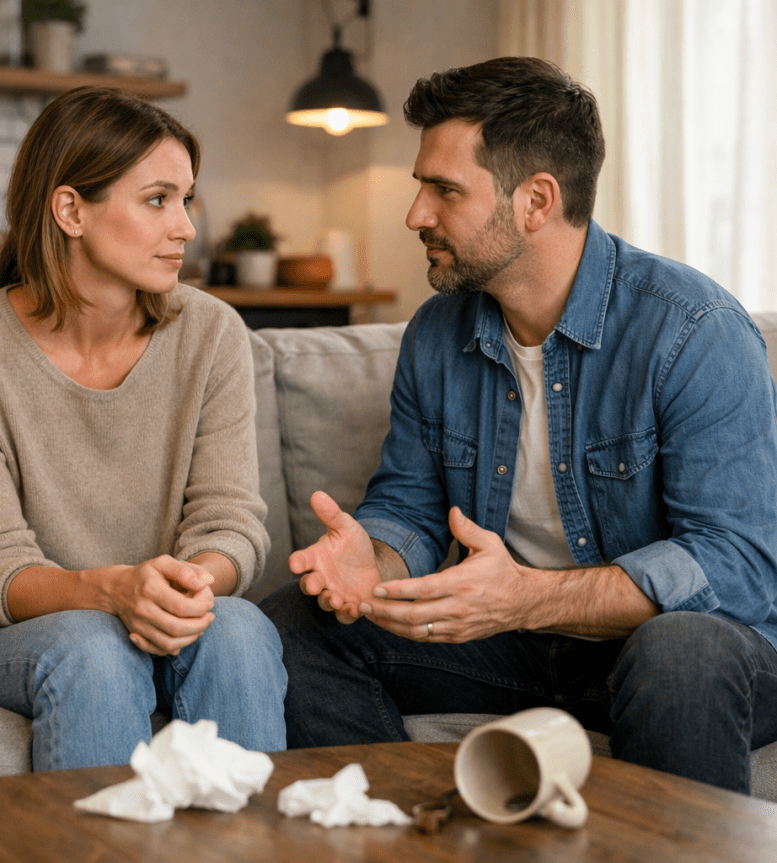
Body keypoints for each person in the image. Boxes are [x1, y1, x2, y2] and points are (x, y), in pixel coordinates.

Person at [260, 57, 777, 793]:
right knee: (294, 624)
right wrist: (372, 563)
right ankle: (399, 833)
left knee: (680, 651)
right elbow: (409, 506)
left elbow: (737, 566)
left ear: (536, 200)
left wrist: (527, 596)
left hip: (687, 648)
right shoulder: (437, 334)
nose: (415, 214)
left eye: (444, 190)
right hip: (517, 644)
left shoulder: (693, 330)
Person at [0, 86, 287, 771]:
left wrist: (183, 588)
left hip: (152, 611)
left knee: (238, 627)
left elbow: (229, 522)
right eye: (158, 200)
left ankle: (248, 833)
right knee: (92, 646)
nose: (186, 228)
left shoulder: (211, 334)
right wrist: (115, 591)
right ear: (70, 211)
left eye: (186, 199)